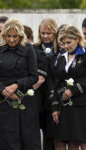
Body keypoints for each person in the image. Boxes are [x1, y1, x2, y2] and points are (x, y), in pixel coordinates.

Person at [0, 18, 41, 150]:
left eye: (15, 36)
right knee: (3, 139)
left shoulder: (28, 49)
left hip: (24, 100)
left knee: (26, 139)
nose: (11, 39)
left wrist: (16, 85)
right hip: (2, 101)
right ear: (4, 35)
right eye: (8, 36)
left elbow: (34, 77)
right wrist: (3, 90)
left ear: (21, 36)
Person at [52, 25, 86, 150]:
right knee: (71, 143)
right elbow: (57, 81)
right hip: (67, 106)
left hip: (84, 106)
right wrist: (55, 107)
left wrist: (73, 91)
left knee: (84, 143)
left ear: (78, 39)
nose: (66, 46)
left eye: (69, 42)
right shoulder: (61, 57)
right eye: (63, 43)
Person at [34, 18, 58, 150]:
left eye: (48, 33)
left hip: (53, 95)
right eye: (42, 33)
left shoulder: (60, 49)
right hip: (37, 95)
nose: (45, 36)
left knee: (51, 135)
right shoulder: (34, 48)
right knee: (36, 133)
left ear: (55, 33)